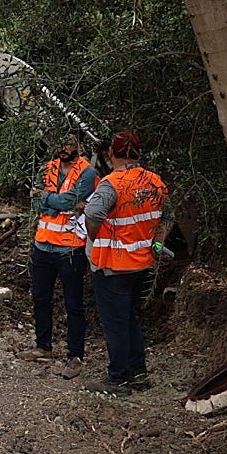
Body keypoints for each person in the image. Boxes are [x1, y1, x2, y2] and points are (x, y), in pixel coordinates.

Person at [83, 131, 172, 397]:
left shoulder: (112, 184)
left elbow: (93, 213)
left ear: (112, 154)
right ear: (139, 154)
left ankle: (118, 379)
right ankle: (138, 372)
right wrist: (157, 241)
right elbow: (168, 216)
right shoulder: (156, 182)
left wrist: (93, 237)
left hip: (113, 268)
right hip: (142, 264)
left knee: (116, 324)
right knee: (130, 319)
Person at [18, 133, 97, 380]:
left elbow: (69, 200)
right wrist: (57, 203)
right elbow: (39, 204)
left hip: (70, 247)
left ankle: (76, 355)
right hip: (43, 244)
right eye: (61, 143)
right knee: (40, 298)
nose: (64, 148)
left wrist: (48, 199)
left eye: (69, 144)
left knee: (73, 303)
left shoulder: (87, 173)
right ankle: (44, 346)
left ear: (80, 146)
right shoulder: (46, 168)